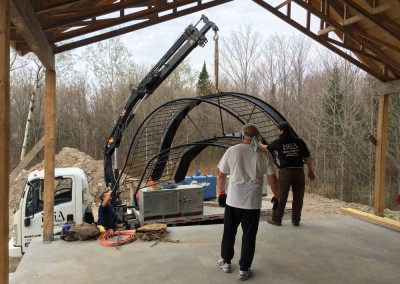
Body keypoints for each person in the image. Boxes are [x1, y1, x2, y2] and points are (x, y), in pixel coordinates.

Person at [216, 123, 279, 281]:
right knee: (249, 236)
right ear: (257, 138)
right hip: (252, 203)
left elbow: (221, 175)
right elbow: (273, 179)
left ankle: (226, 262)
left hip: (233, 200)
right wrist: (277, 196)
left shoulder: (232, 151)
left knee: (229, 232)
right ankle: (244, 270)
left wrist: (221, 193)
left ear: (242, 136)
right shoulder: (264, 154)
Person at [263, 121, 315, 227]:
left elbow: (267, 148)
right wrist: (311, 170)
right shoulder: (299, 141)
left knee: (282, 196)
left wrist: (259, 145)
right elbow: (307, 157)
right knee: (298, 196)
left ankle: (277, 219)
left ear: (281, 131)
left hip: (286, 172)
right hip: (299, 171)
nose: (278, 132)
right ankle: (296, 220)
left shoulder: (279, 142)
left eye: (278, 130)